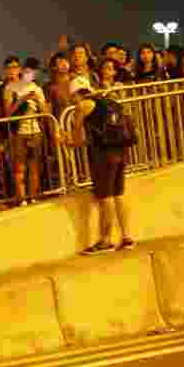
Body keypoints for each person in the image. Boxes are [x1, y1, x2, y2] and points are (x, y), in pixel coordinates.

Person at [70, 88, 135, 254]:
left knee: (105, 197)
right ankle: (127, 237)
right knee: (118, 194)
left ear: (76, 95)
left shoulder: (83, 106)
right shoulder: (110, 102)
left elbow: (77, 140)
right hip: (120, 150)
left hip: (103, 155)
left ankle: (105, 241)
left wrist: (63, 139)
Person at [3, 57, 48, 206]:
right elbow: (7, 113)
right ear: (22, 71)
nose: (30, 74)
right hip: (18, 131)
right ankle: (21, 198)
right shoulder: (10, 88)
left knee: (34, 165)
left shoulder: (37, 88)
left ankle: (33, 196)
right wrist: (21, 100)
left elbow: (45, 112)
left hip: (35, 129)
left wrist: (38, 101)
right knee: (19, 167)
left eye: (33, 72)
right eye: (27, 71)